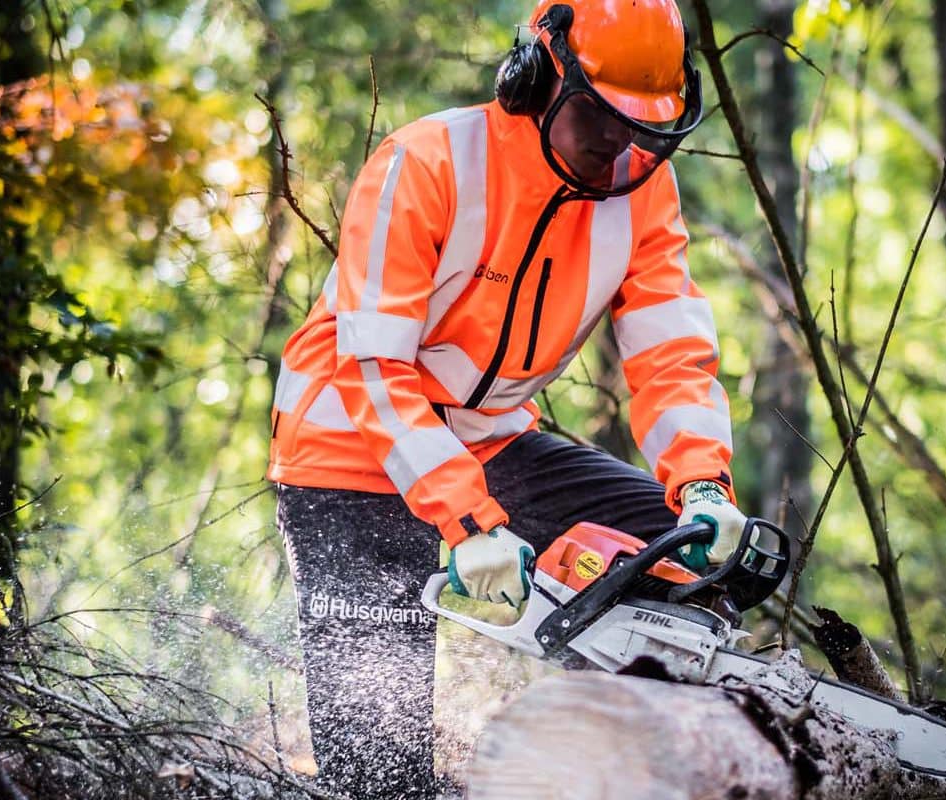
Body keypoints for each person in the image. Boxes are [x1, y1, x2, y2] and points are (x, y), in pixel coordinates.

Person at [267, 1, 746, 796]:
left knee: (684, 556)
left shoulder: (642, 197)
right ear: (536, 78)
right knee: (379, 773)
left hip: (489, 445)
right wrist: (464, 520)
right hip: (345, 458)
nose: (617, 144)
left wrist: (701, 482)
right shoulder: (427, 162)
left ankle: (624, 762)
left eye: (642, 128)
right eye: (597, 113)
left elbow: (671, 355)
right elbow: (372, 368)